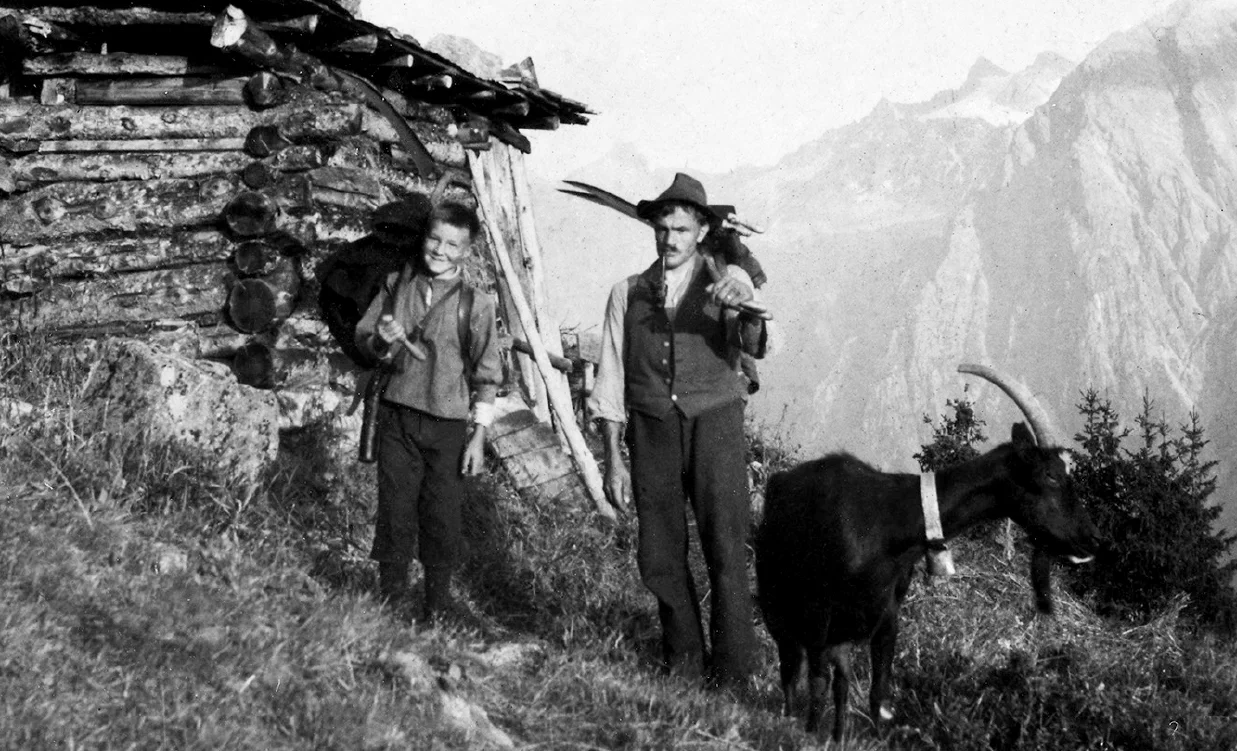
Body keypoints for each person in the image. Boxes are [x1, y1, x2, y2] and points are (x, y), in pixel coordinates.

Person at [588, 173, 771, 689]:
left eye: (682, 230)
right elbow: (610, 377)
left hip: (716, 424)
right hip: (652, 431)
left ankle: (733, 673)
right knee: (660, 552)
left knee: (725, 545)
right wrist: (614, 458)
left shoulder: (726, 284)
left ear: (702, 232)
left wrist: (747, 310)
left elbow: (755, 346)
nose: (670, 240)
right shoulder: (626, 293)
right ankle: (684, 665)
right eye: (663, 229)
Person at [354, 201, 503, 622]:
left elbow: (488, 375)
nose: (440, 250)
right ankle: (391, 604)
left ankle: (436, 607)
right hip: (397, 415)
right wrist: (382, 339)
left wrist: (478, 437)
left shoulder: (477, 304)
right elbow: (367, 341)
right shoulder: (396, 286)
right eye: (434, 239)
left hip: (448, 427)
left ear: (467, 251)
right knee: (395, 508)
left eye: (452, 244)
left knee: (441, 515)